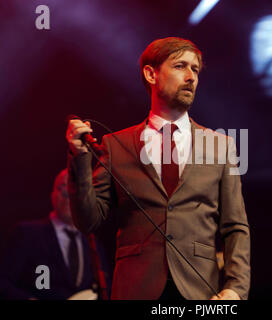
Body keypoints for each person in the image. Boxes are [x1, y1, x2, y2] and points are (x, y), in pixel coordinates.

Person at [66, 37, 250, 300]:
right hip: (135, 289)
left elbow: (236, 227)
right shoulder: (116, 145)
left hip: (200, 291)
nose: (190, 77)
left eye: (195, 69)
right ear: (151, 74)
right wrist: (79, 157)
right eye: (180, 66)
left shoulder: (221, 146)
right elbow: (87, 220)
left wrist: (236, 288)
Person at [0, 169, 109, 300]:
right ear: (52, 194)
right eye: (63, 188)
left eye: (75, 190)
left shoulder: (93, 243)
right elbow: (3, 282)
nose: (68, 194)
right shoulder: (27, 234)